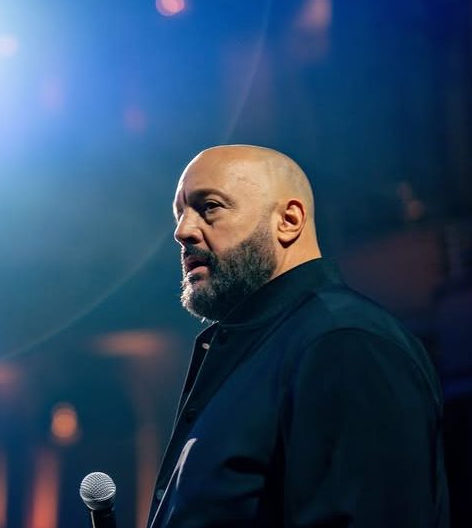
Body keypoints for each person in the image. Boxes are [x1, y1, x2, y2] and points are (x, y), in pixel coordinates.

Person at [147, 145, 449, 527]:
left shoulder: (344, 342)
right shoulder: (260, 352)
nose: (182, 231)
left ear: (289, 220)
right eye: (180, 214)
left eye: (209, 206)